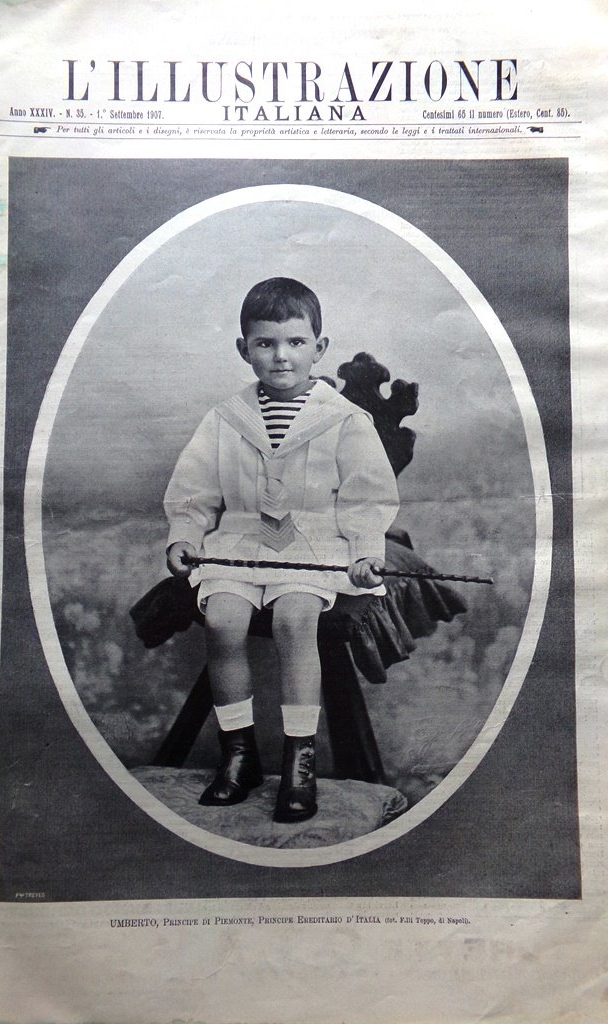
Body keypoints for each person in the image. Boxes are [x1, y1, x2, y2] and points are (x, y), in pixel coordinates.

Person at [164, 277, 399, 823]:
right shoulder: (225, 418)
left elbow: (367, 495)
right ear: (243, 349)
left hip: (312, 542)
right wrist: (185, 535)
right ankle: (239, 755)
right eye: (265, 343)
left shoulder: (344, 419)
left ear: (319, 348)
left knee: (296, 618)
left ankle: (299, 761)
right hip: (240, 540)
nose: (281, 356)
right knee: (223, 620)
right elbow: (196, 490)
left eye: (295, 342)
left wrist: (365, 550)